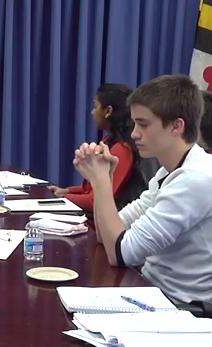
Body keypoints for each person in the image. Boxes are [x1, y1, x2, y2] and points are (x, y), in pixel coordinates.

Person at [73, 74, 212, 304]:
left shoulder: (197, 178)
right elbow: (105, 235)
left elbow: (119, 253)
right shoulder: (168, 171)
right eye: (135, 123)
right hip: (150, 291)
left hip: (180, 309)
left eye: (143, 124)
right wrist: (106, 176)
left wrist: (101, 183)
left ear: (177, 126)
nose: (135, 133)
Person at [48, 84, 137, 212]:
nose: (92, 112)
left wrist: (63, 197)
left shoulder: (122, 149)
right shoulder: (108, 141)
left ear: (108, 111)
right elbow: (90, 189)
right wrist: (67, 191)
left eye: (95, 107)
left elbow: (96, 201)